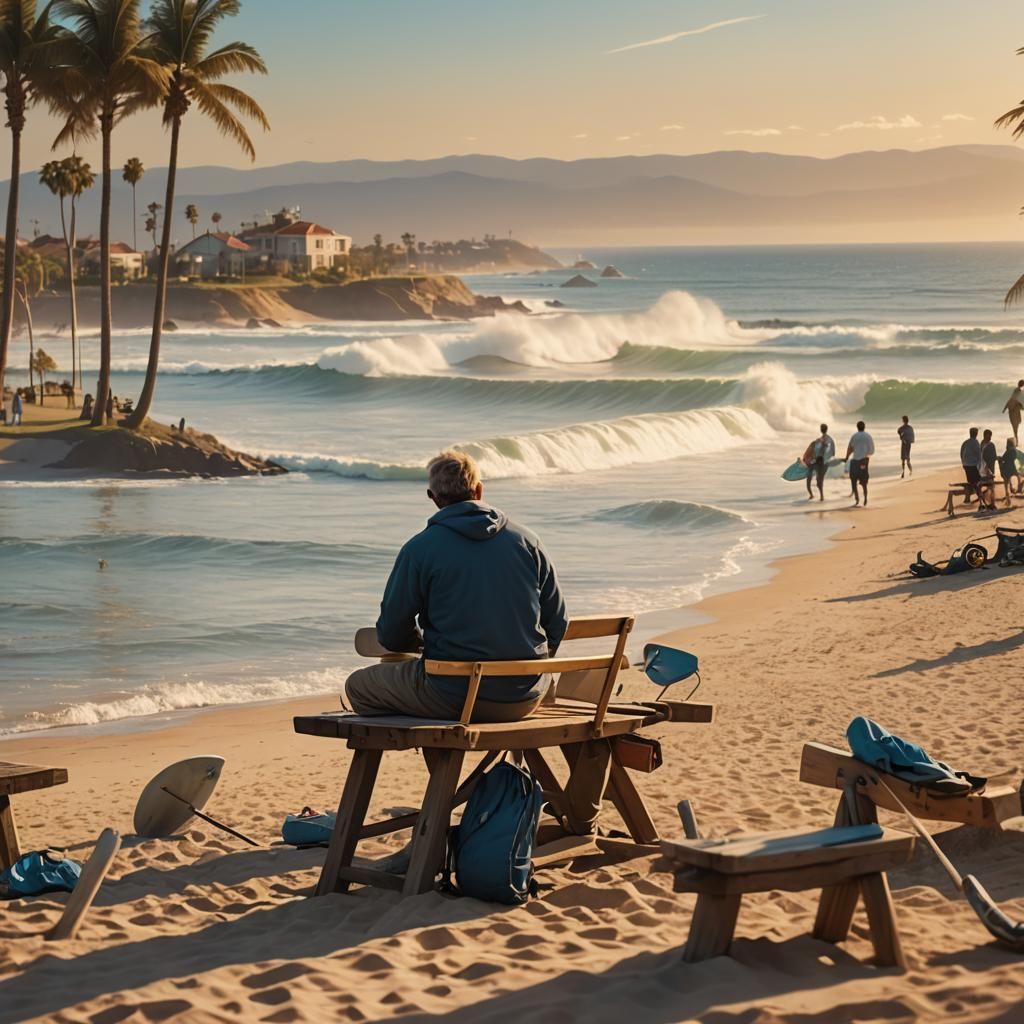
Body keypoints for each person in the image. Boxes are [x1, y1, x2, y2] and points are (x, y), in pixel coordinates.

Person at [345, 451, 610, 833]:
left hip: (455, 698)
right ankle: (572, 816)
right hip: (528, 695)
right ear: (480, 490)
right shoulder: (528, 540)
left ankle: (443, 795)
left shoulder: (420, 548)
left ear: (432, 497)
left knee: (359, 686)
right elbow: (558, 622)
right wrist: (523, 664)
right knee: (432, 681)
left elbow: (390, 633)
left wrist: (420, 645)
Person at [845, 420, 875, 507]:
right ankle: (865, 498)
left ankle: (857, 499)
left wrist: (847, 457)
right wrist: (865, 455)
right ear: (864, 427)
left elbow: (850, 448)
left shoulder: (854, 436)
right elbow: (872, 451)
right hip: (864, 461)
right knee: (864, 482)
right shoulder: (868, 436)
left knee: (853, 481)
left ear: (857, 427)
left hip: (855, 461)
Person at [802, 424, 834, 502]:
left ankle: (812, 495)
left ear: (821, 429)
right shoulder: (830, 440)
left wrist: (805, 459)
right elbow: (833, 453)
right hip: (822, 462)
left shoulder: (817, 441)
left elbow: (809, 452)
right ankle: (821, 496)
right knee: (819, 480)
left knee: (810, 479)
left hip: (816, 462)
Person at [960, 427, 982, 505]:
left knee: (970, 481)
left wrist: (963, 463)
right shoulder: (975, 442)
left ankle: (967, 498)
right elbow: (979, 455)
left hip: (966, 464)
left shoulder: (965, 442)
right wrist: (980, 467)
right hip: (972, 464)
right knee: (978, 481)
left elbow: (961, 453)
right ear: (976, 434)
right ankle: (981, 499)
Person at [979, 428, 999, 511]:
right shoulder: (990, 445)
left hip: (982, 470)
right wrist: (999, 458)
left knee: (986, 486)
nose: (990, 437)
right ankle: (992, 504)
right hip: (989, 469)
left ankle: (985, 503)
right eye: (989, 436)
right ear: (985, 435)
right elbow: (994, 457)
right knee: (991, 486)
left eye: (991, 436)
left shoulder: (981, 444)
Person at [1003, 380, 1023, 445]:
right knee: (1015, 428)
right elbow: (1015, 400)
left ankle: (1016, 441)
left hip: (1014, 412)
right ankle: (1016, 442)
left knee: (1015, 428)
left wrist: (1005, 408)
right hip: (1014, 412)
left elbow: (1011, 400)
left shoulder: (1018, 391)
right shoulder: (1018, 391)